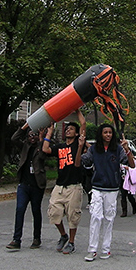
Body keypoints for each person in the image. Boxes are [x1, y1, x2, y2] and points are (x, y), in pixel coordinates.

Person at [81, 123, 135, 261]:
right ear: (101, 134)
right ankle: (92, 249)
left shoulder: (117, 149)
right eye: (105, 132)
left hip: (112, 188)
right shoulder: (94, 149)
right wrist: (81, 146)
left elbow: (132, 165)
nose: (108, 135)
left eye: (110, 132)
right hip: (97, 187)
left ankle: (106, 248)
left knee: (109, 219)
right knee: (95, 217)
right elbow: (84, 162)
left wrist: (127, 149)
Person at [42, 109, 86, 255]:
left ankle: (71, 242)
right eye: (67, 129)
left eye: (71, 129)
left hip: (74, 186)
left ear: (77, 133)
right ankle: (63, 235)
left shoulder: (78, 144)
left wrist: (77, 109)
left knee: (73, 216)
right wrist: (50, 131)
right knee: (54, 213)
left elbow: (83, 123)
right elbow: (45, 149)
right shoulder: (60, 147)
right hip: (60, 186)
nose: (68, 130)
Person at [6, 123, 48, 250]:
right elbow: (14, 139)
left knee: (36, 211)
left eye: (35, 135)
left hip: (36, 185)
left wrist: (41, 139)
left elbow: (42, 156)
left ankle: (36, 238)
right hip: (24, 185)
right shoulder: (24, 146)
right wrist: (24, 127)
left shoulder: (42, 147)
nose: (33, 138)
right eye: (30, 135)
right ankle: (16, 239)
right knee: (20, 210)